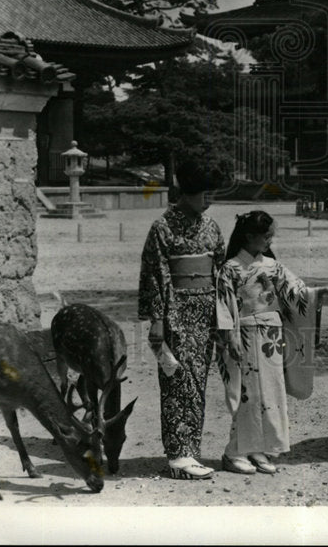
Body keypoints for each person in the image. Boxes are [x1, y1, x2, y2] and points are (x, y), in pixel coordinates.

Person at [215, 210, 328, 475]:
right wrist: (231, 336)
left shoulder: (273, 266)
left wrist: (321, 292)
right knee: (248, 394)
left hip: (271, 335)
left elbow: (297, 291)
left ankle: (258, 448)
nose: (269, 241)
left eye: (270, 236)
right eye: (266, 236)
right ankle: (233, 451)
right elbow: (223, 305)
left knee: (271, 394)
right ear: (249, 236)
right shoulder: (230, 269)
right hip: (246, 333)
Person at [138, 159, 239, 480]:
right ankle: (178, 455)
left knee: (199, 381)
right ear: (186, 192)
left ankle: (190, 450)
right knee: (177, 379)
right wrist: (157, 321)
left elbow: (221, 272)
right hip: (175, 312)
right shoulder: (162, 227)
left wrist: (225, 317)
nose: (208, 201)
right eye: (203, 194)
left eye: (212, 194)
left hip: (207, 311)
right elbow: (154, 275)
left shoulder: (211, 227)